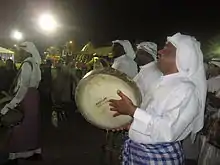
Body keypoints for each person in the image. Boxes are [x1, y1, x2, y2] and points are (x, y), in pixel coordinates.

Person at [109, 33, 207, 165]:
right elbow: (153, 118)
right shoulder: (161, 82)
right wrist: (131, 125)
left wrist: (133, 111)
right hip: (140, 153)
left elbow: (168, 131)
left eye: (167, 49)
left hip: (158, 157)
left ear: (182, 57)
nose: (160, 52)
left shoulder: (187, 90)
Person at [0, 42, 42, 164]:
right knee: (32, 125)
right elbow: (37, 81)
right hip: (34, 97)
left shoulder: (27, 65)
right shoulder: (35, 63)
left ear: (26, 52)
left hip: (26, 97)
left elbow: (23, 87)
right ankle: (33, 151)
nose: (18, 52)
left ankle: (17, 154)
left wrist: (10, 104)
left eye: (20, 50)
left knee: (20, 125)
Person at [197, 58, 220, 165]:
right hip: (210, 118)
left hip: (214, 120)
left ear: (217, 68)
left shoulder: (213, 81)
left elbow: (216, 103)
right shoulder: (209, 80)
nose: (209, 68)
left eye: (212, 66)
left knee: (210, 150)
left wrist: (210, 96)